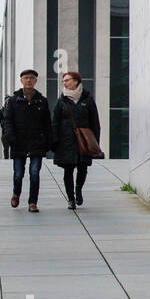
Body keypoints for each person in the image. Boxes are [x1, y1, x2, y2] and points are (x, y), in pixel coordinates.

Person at [0, 68, 53, 212]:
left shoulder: (42, 101)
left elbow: (48, 123)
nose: (29, 80)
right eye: (26, 78)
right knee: (18, 174)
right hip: (18, 143)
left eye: (32, 78)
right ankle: (16, 193)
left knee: (34, 173)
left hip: (37, 143)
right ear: (21, 81)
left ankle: (32, 202)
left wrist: (48, 141)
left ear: (35, 81)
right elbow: (7, 121)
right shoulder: (13, 100)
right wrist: (11, 138)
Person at [51, 70, 102, 210]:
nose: (65, 83)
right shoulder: (61, 100)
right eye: (64, 81)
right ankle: (71, 198)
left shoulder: (87, 99)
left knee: (83, 168)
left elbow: (95, 123)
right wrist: (54, 141)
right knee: (68, 170)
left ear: (76, 81)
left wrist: (95, 142)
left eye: (67, 80)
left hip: (84, 141)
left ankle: (78, 190)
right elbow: (55, 122)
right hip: (66, 141)